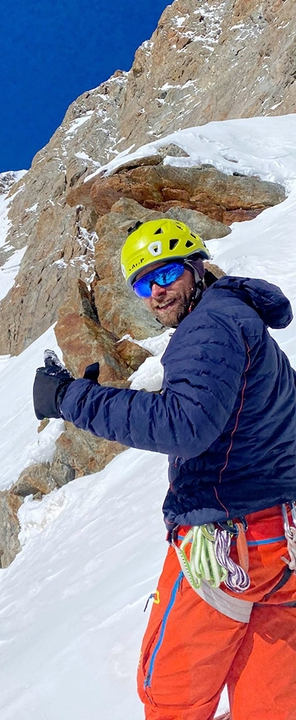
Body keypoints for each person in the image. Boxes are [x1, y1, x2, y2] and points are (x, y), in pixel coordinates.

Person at [33, 218, 296, 720]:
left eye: (166, 273)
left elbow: (184, 425)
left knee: (173, 695)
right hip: (280, 547)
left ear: (197, 267)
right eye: (141, 283)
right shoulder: (243, 322)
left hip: (228, 549)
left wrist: (72, 398)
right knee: (271, 702)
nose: (155, 293)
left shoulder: (208, 327)